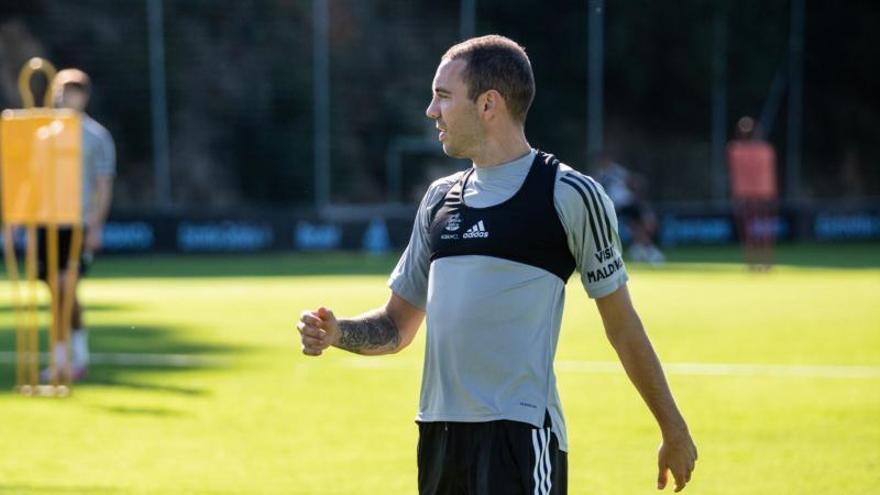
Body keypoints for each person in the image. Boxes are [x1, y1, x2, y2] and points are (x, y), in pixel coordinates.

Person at [298, 35, 696, 494]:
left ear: (488, 104)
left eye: (443, 96)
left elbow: (622, 326)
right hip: (439, 437)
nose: (431, 111)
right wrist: (337, 332)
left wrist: (673, 428)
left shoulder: (569, 195)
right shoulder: (437, 199)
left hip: (520, 437)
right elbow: (396, 326)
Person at [40, 68, 116, 382]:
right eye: (64, 90)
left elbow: (103, 184)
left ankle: (76, 357)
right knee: (56, 292)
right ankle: (60, 358)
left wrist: (96, 226)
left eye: (76, 91)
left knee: (66, 288)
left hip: (78, 222)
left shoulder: (96, 136)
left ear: (85, 96)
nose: (69, 97)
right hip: (47, 221)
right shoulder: (44, 133)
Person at [593, 152, 665, 264]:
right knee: (607, 228)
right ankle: (638, 249)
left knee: (644, 222)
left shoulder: (617, 171)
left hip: (627, 203)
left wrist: (637, 188)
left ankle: (644, 248)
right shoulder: (599, 175)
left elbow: (634, 181)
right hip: (612, 206)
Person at [726, 116, 777, 269]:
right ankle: (760, 261)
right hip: (759, 192)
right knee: (756, 228)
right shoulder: (765, 150)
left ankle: (755, 262)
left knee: (752, 228)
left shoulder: (736, 150)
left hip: (753, 192)